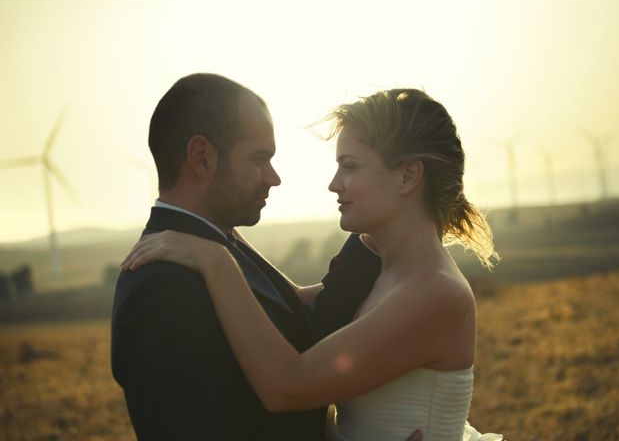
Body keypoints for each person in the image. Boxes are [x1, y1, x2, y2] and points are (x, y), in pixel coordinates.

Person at [122, 88, 505, 440]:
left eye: (350, 166)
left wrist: (215, 259)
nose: (334, 184)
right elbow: (290, 304)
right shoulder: (385, 274)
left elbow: (288, 386)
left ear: (408, 176)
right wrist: (218, 227)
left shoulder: (435, 293)